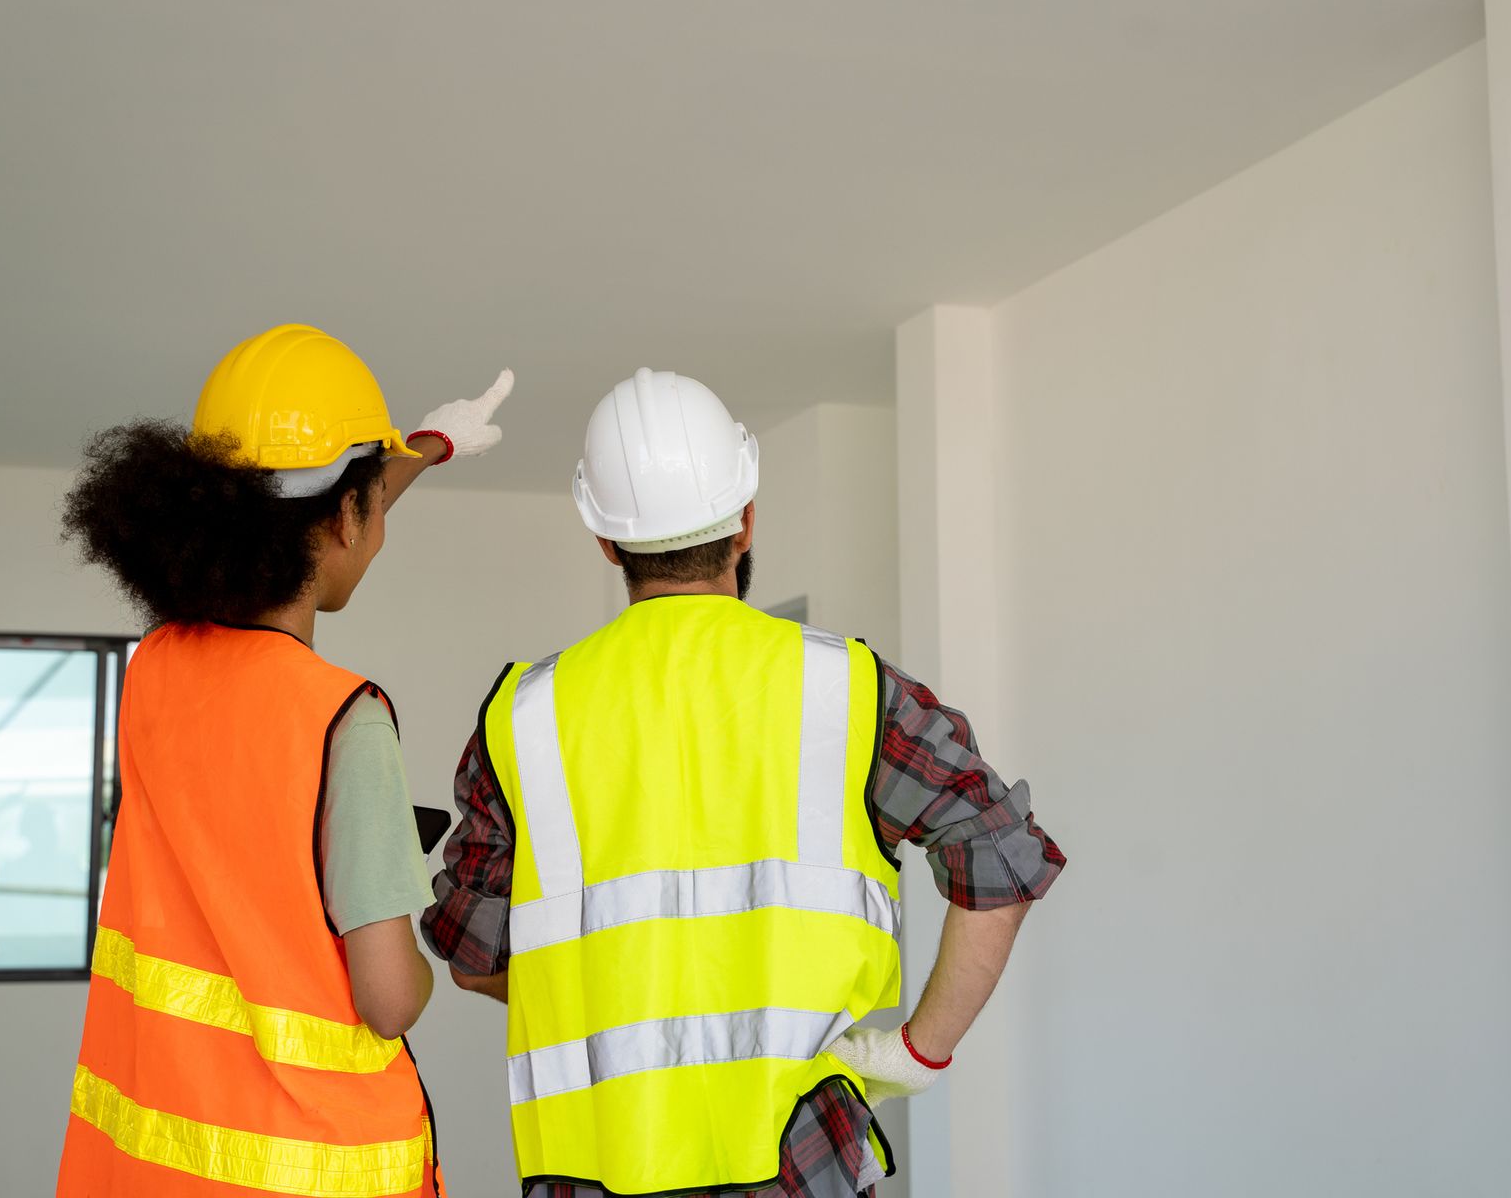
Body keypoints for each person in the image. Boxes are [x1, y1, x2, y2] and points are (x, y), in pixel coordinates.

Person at [421, 367, 1066, 1198]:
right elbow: (1003, 858)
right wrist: (917, 1052)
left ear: (604, 539)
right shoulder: (852, 693)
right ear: (746, 516)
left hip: (591, 1171)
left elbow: (474, 958)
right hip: (798, 1172)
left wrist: (627, 1001)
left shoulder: (522, 717)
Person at [54, 323, 513, 1198]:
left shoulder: (154, 670)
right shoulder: (346, 721)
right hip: (310, 1169)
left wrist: (420, 451)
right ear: (347, 516)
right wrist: (398, 910)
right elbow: (389, 1000)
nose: (378, 527)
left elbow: (302, 521)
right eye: (373, 505)